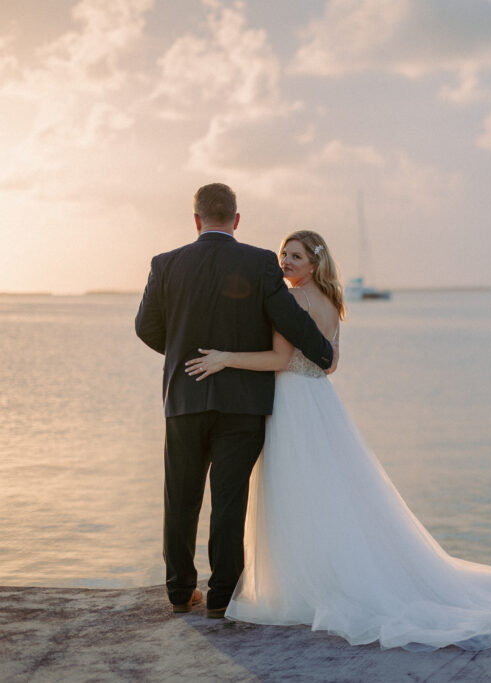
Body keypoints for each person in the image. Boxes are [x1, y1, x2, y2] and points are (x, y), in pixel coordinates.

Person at [185, 230, 491, 651]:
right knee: (328, 493)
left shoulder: (292, 301)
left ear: (314, 264)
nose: (286, 262)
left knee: (296, 494)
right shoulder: (333, 304)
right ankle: (328, 572)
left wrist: (225, 358)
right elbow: (330, 367)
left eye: (295, 256)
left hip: (293, 404)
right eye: (283, 255)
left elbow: (279, 359)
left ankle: (304, 584)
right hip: (319, 402)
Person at [135, 184, 334, 618]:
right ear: (237, 220)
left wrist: (185, 358)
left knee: (181, 497)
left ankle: (180, 591)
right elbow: (288, 318)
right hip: (242, 404)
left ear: (196, 219)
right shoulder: (260, 261)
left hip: (184, 398)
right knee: (229, 500)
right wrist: (324, 353)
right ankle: (221, 598)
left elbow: (145, 327)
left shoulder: (165, 264)